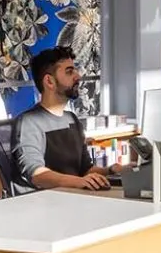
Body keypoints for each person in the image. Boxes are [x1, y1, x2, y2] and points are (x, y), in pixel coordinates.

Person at [11, 47, 112, 194]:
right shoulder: (29, 122)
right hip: (43, 206)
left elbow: (85, 169)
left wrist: (112, 170)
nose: (77, 76)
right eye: (69, 72)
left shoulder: (72, 119)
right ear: (49, 81)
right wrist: (79, 182)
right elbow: (37, 175)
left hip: (74, 199)